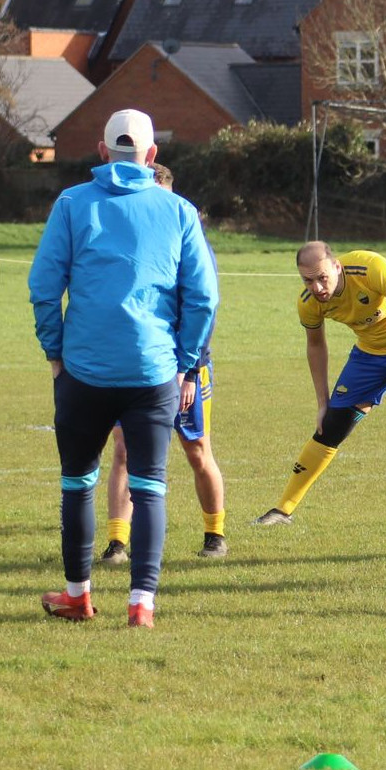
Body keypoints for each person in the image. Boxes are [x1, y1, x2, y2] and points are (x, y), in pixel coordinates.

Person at [30, 109, 218, 628]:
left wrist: (55, 354)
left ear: (101, 150)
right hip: (154, 373)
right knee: (150, 485)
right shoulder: (180, 210)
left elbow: (44, 287)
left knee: (77, 483)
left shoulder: (71, 203)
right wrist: (184, 366)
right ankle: (142, 605)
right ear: (152, 156)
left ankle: (78, 596)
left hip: (83, 374)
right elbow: (203, 297)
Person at [255, 241, 386, 528]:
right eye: (308, 280)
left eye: (322, 278)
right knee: (330, 425)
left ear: (336, 266)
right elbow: (316, 346)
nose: (317, 287)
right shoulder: (308, 303)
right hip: (370, 355)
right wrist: (322, 403)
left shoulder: (370, 268)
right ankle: (282, 511)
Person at [99, 162, 230, 563]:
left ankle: (215, 535)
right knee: (122, 448)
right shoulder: (132, 237)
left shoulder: (189, 236)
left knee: (195, 450)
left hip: (183, 368)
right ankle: (118, 543)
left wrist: (190, 371)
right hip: (135, 365)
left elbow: (204, 307)